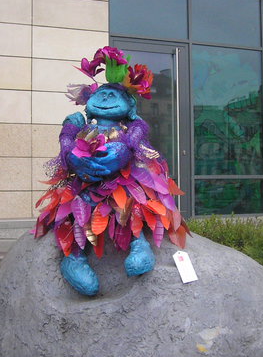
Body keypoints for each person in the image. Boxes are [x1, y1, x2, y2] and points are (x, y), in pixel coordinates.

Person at [34, 46, 189, 296]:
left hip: (122, 182)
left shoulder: (134, 125)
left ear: (130, 107)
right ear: (89, 104)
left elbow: (134, 141)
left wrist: (122, 151)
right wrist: (73, 156)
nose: (106, 98)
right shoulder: (76, 122)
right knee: (75, 209)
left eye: (113, 95)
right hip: (84, 183)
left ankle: (140, 247)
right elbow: (67, 142)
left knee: (131, 204)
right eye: (102, 93)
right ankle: (74, 258)